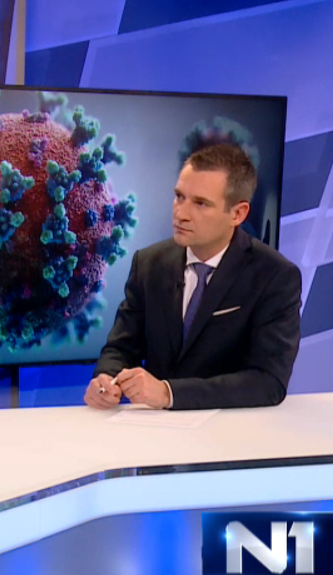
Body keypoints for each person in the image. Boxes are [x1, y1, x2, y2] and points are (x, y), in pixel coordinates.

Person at [84, 143, 302, 411]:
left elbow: (268, 382)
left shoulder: (274, 276)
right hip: (155, 428)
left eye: (200, 203)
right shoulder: (149, 264)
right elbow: (121, 348)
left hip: (232, 428)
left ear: (238, 213)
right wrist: (106, 379)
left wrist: (169, 393)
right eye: (179, 197)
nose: (181, 213)